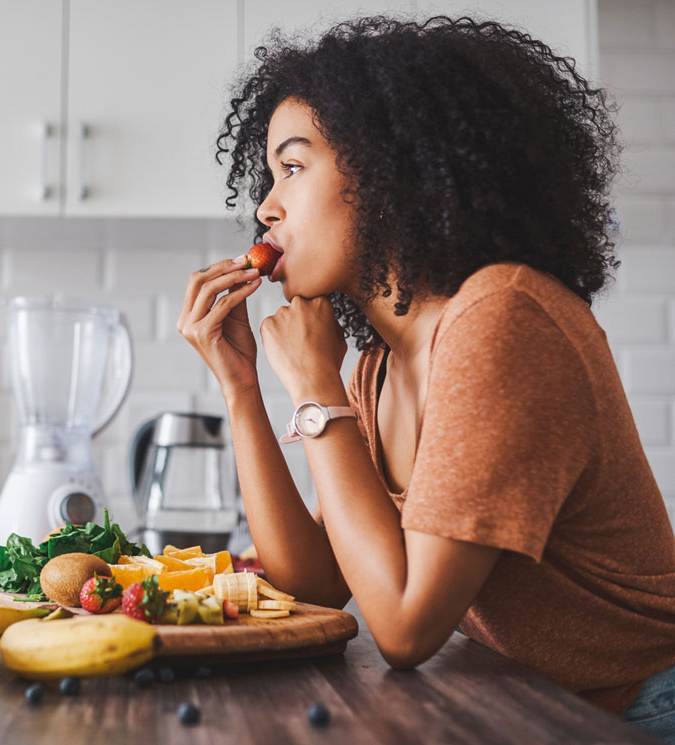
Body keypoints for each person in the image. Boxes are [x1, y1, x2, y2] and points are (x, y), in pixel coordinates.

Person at [177, 15, 675, 741]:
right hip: (526, 700)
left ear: (387, 171)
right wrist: (242, 387)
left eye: (292, 167)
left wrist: (316, 391)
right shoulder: (382, 360)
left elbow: (405, 627)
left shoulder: (500, 319)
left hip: (638, 711)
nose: (265, 207)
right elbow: (314, 581)